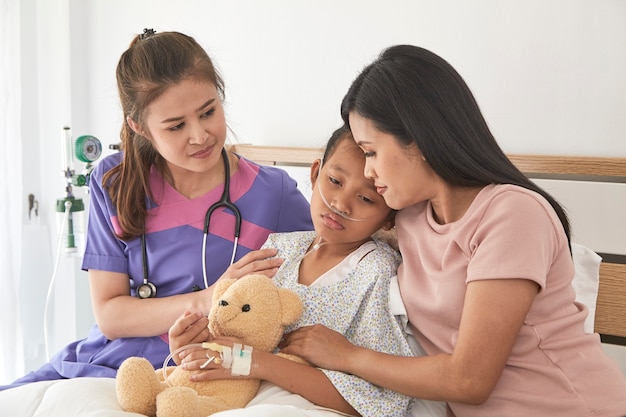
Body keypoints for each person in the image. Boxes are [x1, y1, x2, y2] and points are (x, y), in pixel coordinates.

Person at [279, 45, 626, 417]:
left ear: (419, 138)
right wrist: (221, 292)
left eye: (371, 152)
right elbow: (337, 240)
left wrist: (348, 356)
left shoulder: (513, 214)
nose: (368, 172)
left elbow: (468, 381)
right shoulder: (411, 217)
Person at [0, 30, 312, 391]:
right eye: (176, 126)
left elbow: (333, 269)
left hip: (208, 367)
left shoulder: (274, 193)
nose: (200, 135)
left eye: (208, 112)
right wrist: (208, 298)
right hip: (111, 363)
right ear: (139, 127)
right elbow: (111, 316)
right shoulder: (114, 182)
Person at [167, 125, 446, 417]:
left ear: (389, 216)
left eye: (366, 199)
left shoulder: (376, 271)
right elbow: (232, 342)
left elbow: (378, 401)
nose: (341, 204)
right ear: (315, 174)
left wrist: (256, 362)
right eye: (335, 181)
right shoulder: (277, 249)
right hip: (236, 397)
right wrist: (189, 347)